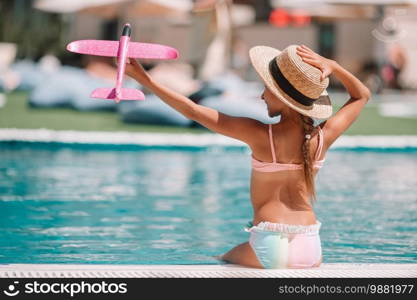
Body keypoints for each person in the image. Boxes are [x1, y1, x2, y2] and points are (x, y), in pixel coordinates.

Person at [123, 44, 371, 269]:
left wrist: (145, 79)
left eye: (267, 89)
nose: (262, 96)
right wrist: (334, 65)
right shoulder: (322, 138)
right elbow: (361, 96)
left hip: (268, 244)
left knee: (218, 261)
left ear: (284, 99)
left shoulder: (260, 134)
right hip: (310, 244)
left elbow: (194, 111)